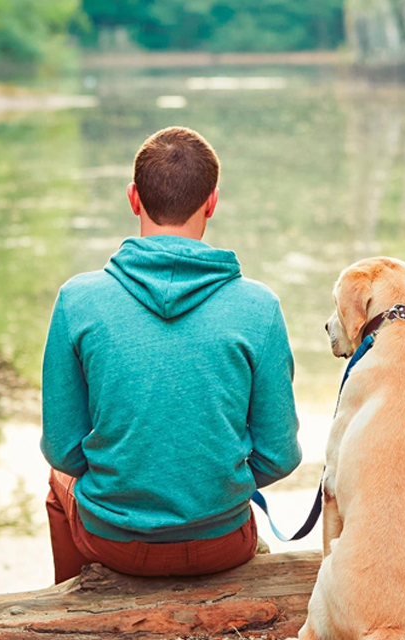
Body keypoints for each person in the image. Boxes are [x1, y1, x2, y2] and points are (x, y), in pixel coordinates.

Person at [41, 126, 302, 583]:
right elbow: (278, 455)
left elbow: (63, 450)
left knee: (56, 484)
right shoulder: (259, 307)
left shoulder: (77, 300)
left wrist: (127, 481)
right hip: (222, 543)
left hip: (112, 541)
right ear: (212, 202)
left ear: (133, 198)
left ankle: (72, 604)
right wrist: (213, 483)